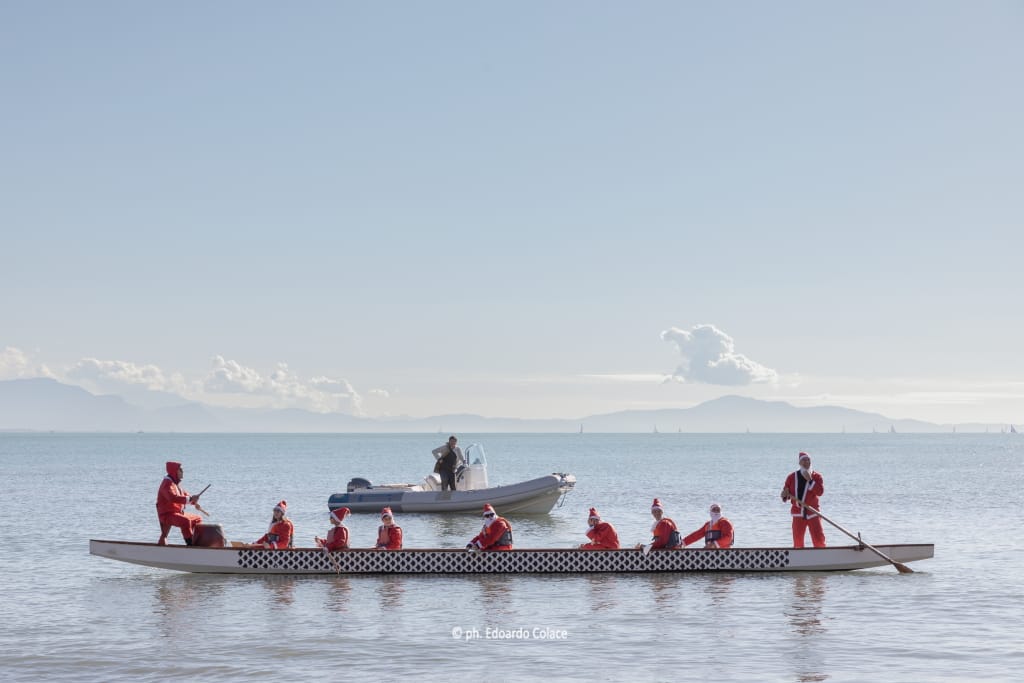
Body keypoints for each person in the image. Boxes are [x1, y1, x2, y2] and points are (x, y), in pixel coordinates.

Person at [781, 452, 826, 548]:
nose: (806, 462)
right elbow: (786, 494)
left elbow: (820, 492)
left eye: (808, 460)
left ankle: (822, 556)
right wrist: (784, 495)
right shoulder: (791, 477)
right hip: (798, 513)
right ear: (799, 463)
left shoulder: (816, 477)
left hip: (813, 512)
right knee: (798, 540)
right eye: (804, 460)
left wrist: (810, 481)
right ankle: (799, 558)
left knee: (819, 539)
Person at [155, 460, 203, 546]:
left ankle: (197, 542)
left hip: (177, 513)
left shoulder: (174, 484)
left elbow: (185, 495)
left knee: (197, 519)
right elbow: (172, 498)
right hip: (167, 515)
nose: (182, 472)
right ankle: (190, 544)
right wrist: (190, 499)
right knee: (185, 521)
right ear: (174, 471)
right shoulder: (167, 484)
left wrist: (193, 501)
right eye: (180, 470)